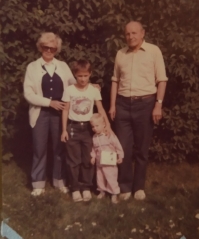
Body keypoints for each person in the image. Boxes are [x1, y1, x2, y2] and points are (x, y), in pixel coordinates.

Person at [109, 21, 168, 201]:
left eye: (134, 33)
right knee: (123, 148)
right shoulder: (121, 54)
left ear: (142, 33)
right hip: (123, 105)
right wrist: (112, 105)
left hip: (146, 104)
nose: (131, 37)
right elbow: (115, 81)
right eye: (127, 34)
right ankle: (125, 186)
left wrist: (158, 104)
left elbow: (162, 80)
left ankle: (139, 187)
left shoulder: (153, 51)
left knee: (142, 148)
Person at [23, 32, 76, 196]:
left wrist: (89, 86)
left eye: (52, 48)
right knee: (40, 148)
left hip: (60, 114)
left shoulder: (63, 66)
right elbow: (28, 94)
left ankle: (59, 181)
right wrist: (49, 102)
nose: (48, 50)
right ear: (40, 47)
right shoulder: (32, 67)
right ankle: (38, 184)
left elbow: (74, 85)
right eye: (45, 47)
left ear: (56, 49)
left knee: (60, 147)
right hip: (40, 113)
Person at [61, 59, 112, 202]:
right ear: (75, 75)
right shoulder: (69, 90)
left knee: (88, 159)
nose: (83, 79)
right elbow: (65, 110)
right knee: (73, 160)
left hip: (89, 129)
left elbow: (100, 108)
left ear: (90, 74)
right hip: (73, 128)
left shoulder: (94, 90)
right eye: (79, 76)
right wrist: (64, 130)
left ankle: (86, 187)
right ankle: (75, 188)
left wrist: (107, 125)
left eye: (85, 76)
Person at [90, 113, 124, 204]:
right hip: (99, 162)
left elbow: (117, 145)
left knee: (111, 177)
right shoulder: (94, 137)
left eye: (97, 126)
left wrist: (120, 155)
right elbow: (93, 148)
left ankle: (114, 193)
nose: (95, 128)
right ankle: (102, 191)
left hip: (109, 161)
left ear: (104, 124)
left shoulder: (109, 135)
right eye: (93, 126)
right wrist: (93, 157)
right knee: (100, 177)